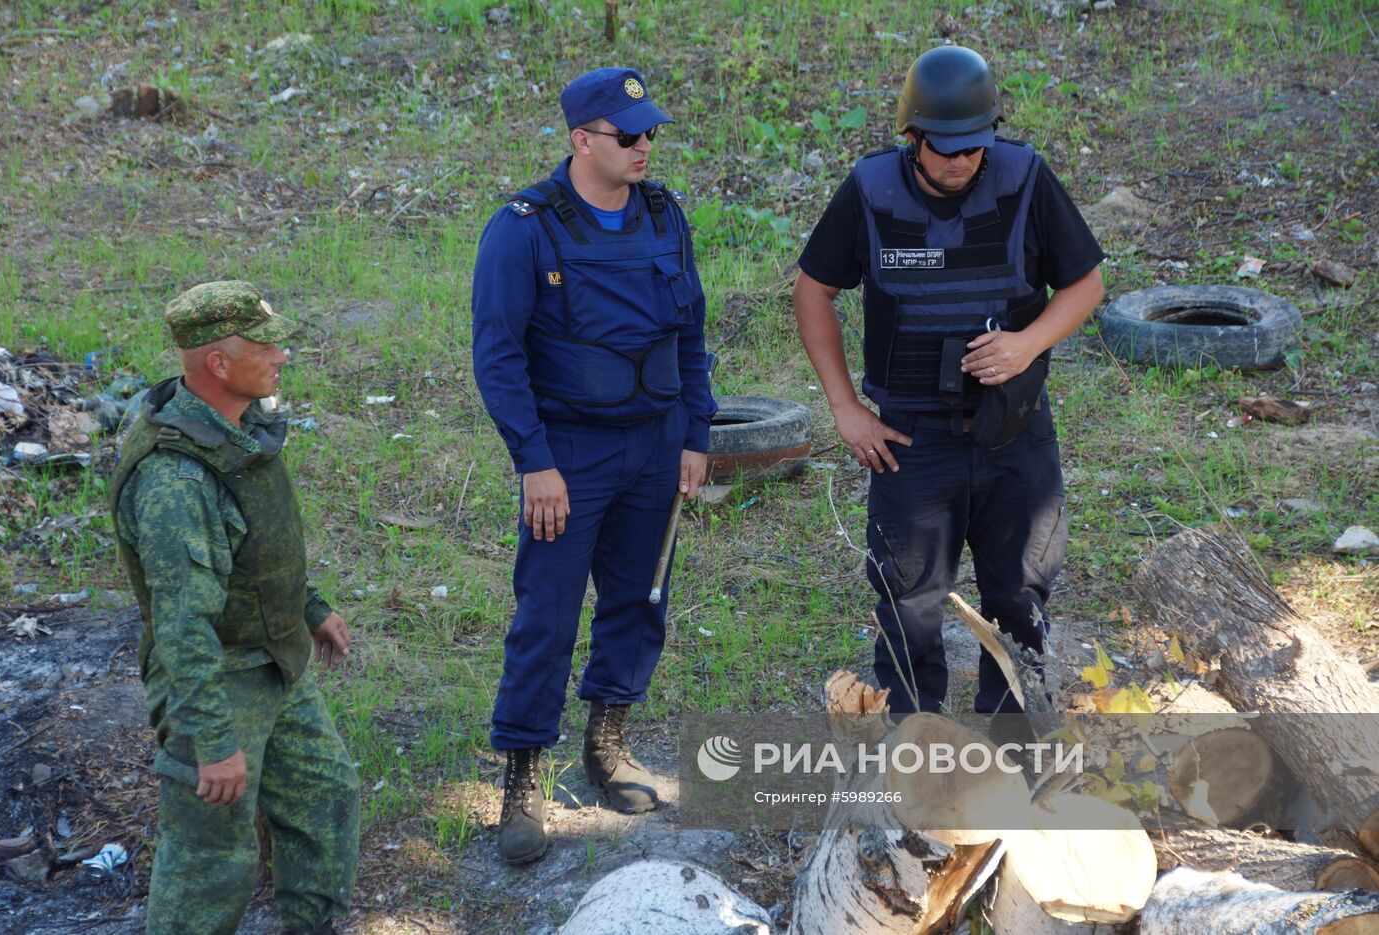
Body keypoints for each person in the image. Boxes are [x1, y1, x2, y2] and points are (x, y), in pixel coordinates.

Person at [793, 46, 1104, 716]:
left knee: (1019, 603)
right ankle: (915, 769)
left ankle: (1012, 766)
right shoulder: (871, 189)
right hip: (911, 439)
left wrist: (1027, 343)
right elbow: (813, 288)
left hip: (1012, 431)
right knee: (908, 613)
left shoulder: (1024, 178)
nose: (964, 161)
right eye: (947, 149)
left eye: (975, 147)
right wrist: (845, 407)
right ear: (912, 137)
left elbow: (1086, 282)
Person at [472, 66, 716, 863]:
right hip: (569, 454)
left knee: (639, 599)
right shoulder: (524, 228)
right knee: (545, 613)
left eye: (652, 132)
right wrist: (533, 462)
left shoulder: (663, 213)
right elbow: (499, 357)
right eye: (627, 135)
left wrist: (696, 434)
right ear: (582, 141)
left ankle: (606, 743)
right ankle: (523, 778)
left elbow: (691, 333)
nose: (646, 146)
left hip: (656, 441)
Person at [111, 281, 360, 935]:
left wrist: (309, 607)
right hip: (214, 678)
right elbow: (182, 623)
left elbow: (254, 541)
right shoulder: (174, 479)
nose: (282, 355)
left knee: (324, 795)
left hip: (275, 657)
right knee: (212, 855)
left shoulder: (235, 429)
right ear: (218, 363)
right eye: (266, 344)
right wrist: (212, 744)